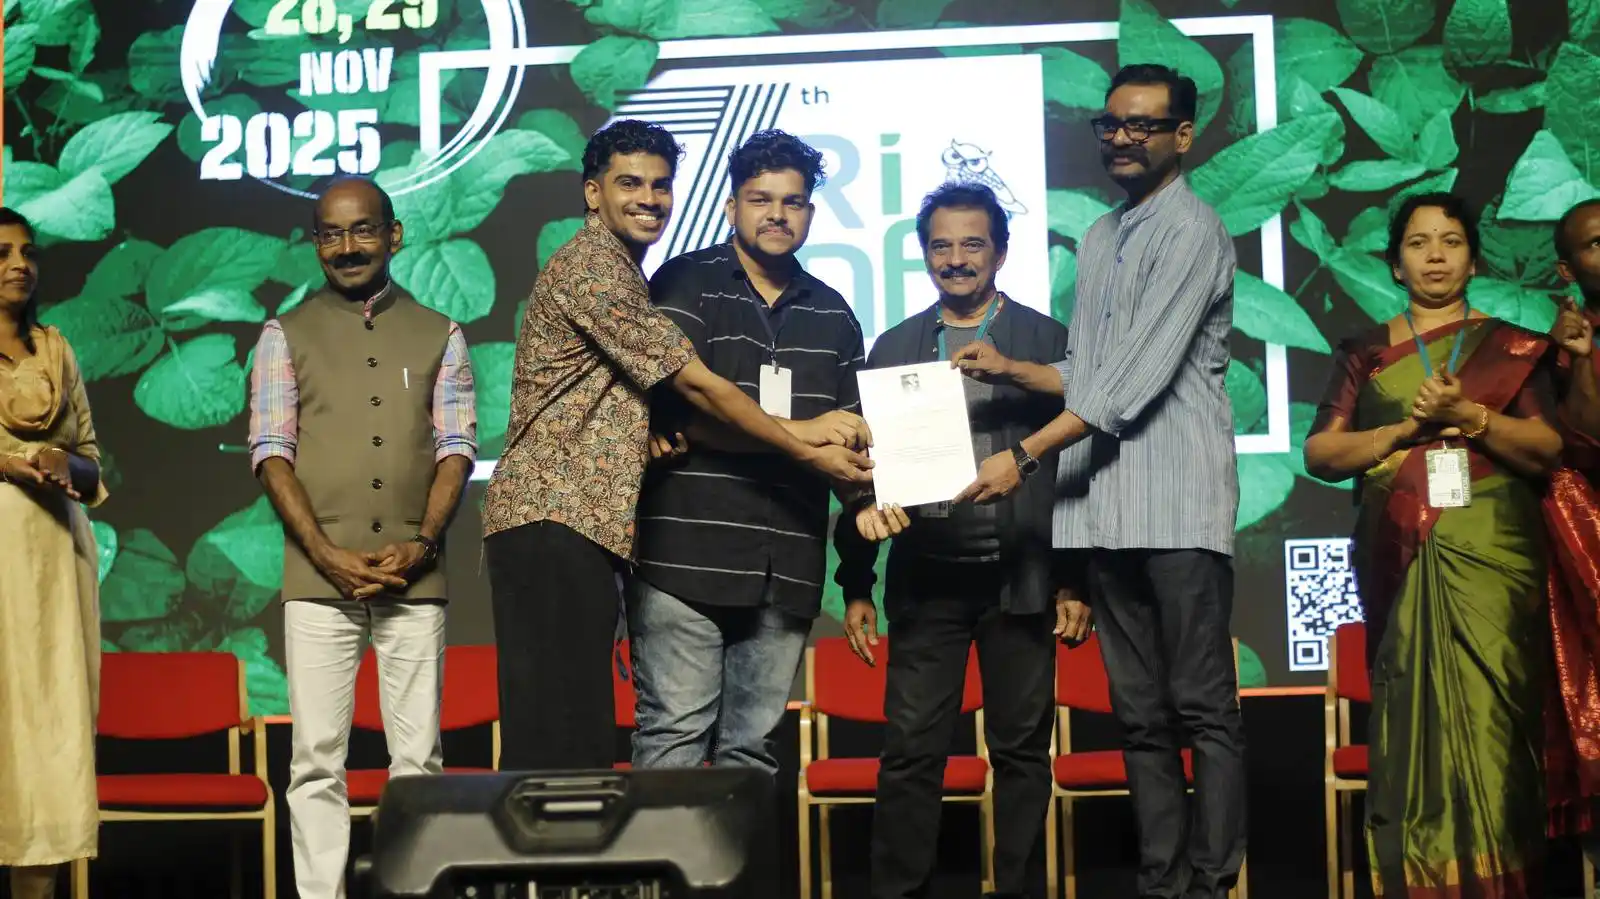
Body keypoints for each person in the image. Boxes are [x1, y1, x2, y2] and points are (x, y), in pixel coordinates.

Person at [481, 119, 873, 773]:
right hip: (558, 513)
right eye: (629, 183)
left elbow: (662, 406)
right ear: (592, 192)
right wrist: (806, 439)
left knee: (578, 734)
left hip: (595, 525)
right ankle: (543, 844)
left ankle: (567, 840)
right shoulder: (603, 270)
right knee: (563, 740)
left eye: (660, 185)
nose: (649, 198)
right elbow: (692, 387)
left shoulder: (630, 272)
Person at [952, 64, 1246, 898]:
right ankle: (1162, 883)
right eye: (1111, 124)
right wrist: (1013, 368)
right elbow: (1087, 370)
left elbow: (1128, 387)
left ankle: (1211, 883)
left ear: (1182, 136)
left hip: (1177, 507)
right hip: (1107, 510)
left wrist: (1022, 455)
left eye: (1143, 125)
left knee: (1202, 707)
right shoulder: (1101, 236)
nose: (1122, 138)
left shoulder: (1193, 231)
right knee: (1140, 716)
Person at [1303, 193, 1561, 896]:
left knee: (1495, 720)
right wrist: (1402, 432)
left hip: (1496, 559)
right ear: (1395, 264)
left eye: (1451, 241)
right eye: (1418, 243)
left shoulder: (1514, 348)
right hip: (1402, 551)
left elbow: (1545, 447)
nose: (1436, 255)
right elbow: (1322, 453)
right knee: (1414, 721)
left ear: (1473, 260)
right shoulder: (1364, 351)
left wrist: (1468, 415)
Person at [838, 182, 1088, 899]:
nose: (956, 258)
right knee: (910, 751)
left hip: (1023, 576)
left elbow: (1083, 463)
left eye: (972, 243)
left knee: (1021, 753)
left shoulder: (1045, 340)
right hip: (927, 578)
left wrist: (1077, 579)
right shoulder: (895, 345)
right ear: (924, 255)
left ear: (1000, 253)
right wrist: (857, 580)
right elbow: (863, 466)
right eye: (941, 245)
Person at [248, 177, 478, 899]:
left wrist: (424, 542)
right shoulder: (283, 334)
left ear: (393, 235)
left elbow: (457, 448)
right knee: (316, 758)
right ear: (316, 243)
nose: (347, 246)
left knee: (419, 758)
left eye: (363, 230)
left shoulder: (441, 331)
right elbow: (271, 452)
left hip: (415, 572)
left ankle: (413, 889)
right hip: (319, 578)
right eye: (331, 233)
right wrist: (325, 555)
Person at [627, 130, 872, 773]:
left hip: (786, 566)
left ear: (810, 213)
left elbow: (854, 440)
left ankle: (738, 854)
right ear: (732, 206)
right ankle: (666, 851)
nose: (777, 214)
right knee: (674, 737)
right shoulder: (686, 282)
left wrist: (870, 505)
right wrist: (805, 437)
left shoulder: (835, 314)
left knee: (753, 752)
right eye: (760, 200)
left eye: (793, 202)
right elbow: (684, 409)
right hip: (682, 557)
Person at [0, 208, 107, 899]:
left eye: (28, 252)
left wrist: (66, 464)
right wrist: (7, 463)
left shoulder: (56, 350)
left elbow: (94, 463)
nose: (19, 264)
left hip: (53, 565)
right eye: (1, 252)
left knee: (45, 733)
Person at [1542, 197, 1600, 854]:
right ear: (1567, 269)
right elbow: (1587, 444)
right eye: (1596, 243)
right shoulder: (1557, 351)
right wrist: (1579, 357)